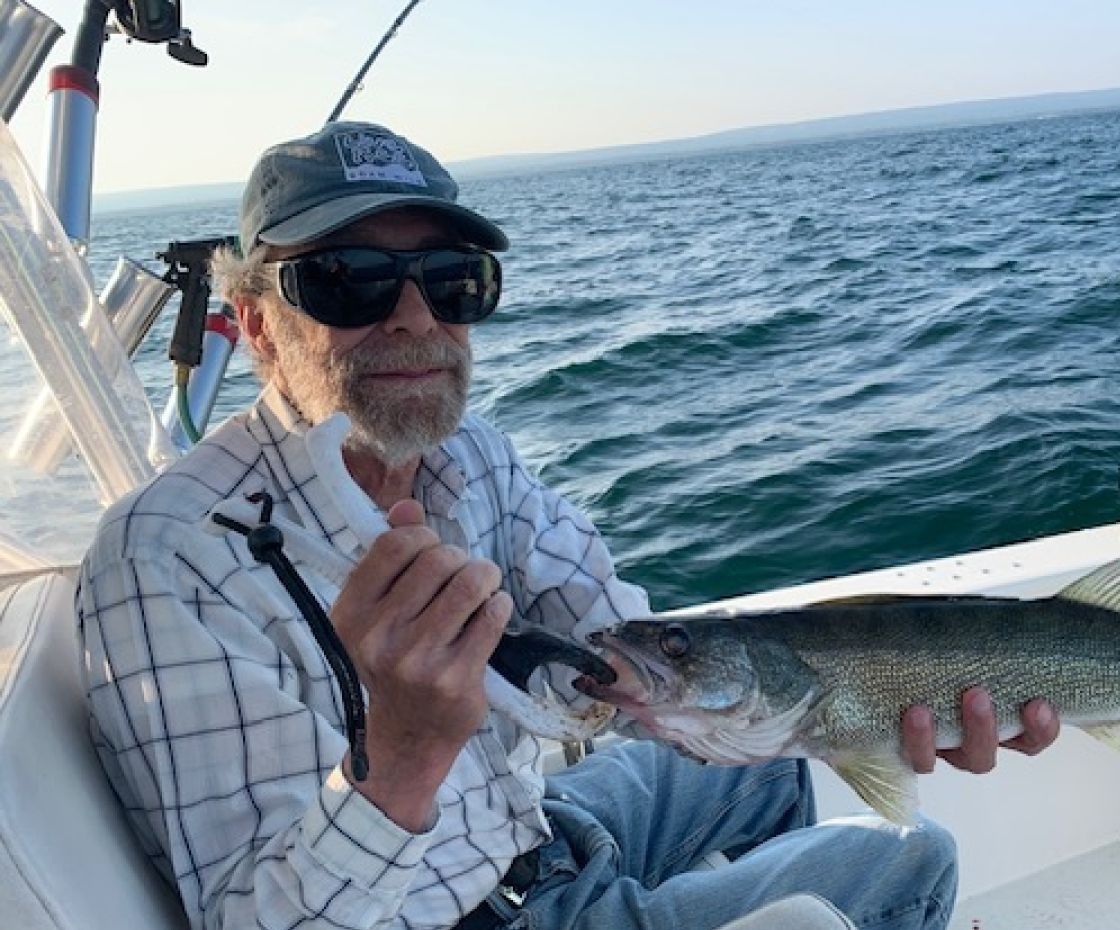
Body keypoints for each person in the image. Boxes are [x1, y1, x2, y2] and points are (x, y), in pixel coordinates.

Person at [77, 121, 1059, 930]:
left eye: (454, 278)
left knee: (764, 783)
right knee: (909, 863)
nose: (416, 318)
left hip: (531, 839)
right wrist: (406, 754)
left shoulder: (472, 456)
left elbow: (614, 639)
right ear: (258, 325)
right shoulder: (172, 557)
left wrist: (867, 711)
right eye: (350, 280)